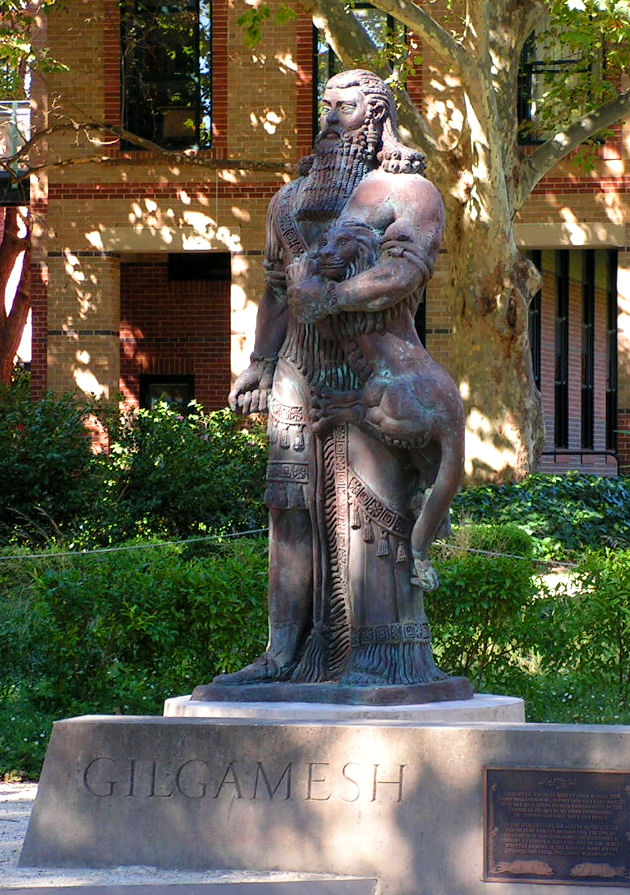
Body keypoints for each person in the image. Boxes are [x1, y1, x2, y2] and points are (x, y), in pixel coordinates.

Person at [218, 70, 457, 688]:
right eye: (326, 109)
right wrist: (260, 362)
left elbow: (406, 272)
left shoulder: (408, 190)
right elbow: (274, 290)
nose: (329, 120)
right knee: (289, 504)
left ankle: (381, 656)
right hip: (297, 368)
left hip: (373, 363)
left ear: (375, 117)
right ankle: (280, 656)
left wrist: (333, 296)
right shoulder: (288, 203)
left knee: (370, 507)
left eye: (344, 109)